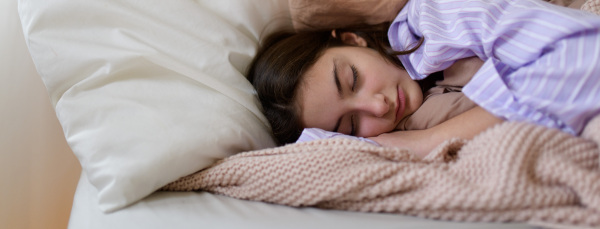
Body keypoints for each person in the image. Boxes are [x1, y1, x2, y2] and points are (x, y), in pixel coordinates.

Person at [248, 0, 600, 158]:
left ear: (352, 39)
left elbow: (584, 54)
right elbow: (314, 149)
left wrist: (428, 140)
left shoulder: (432, 18)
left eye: (352, 78)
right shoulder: (409, 118)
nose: (378, 106)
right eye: (351, 125)